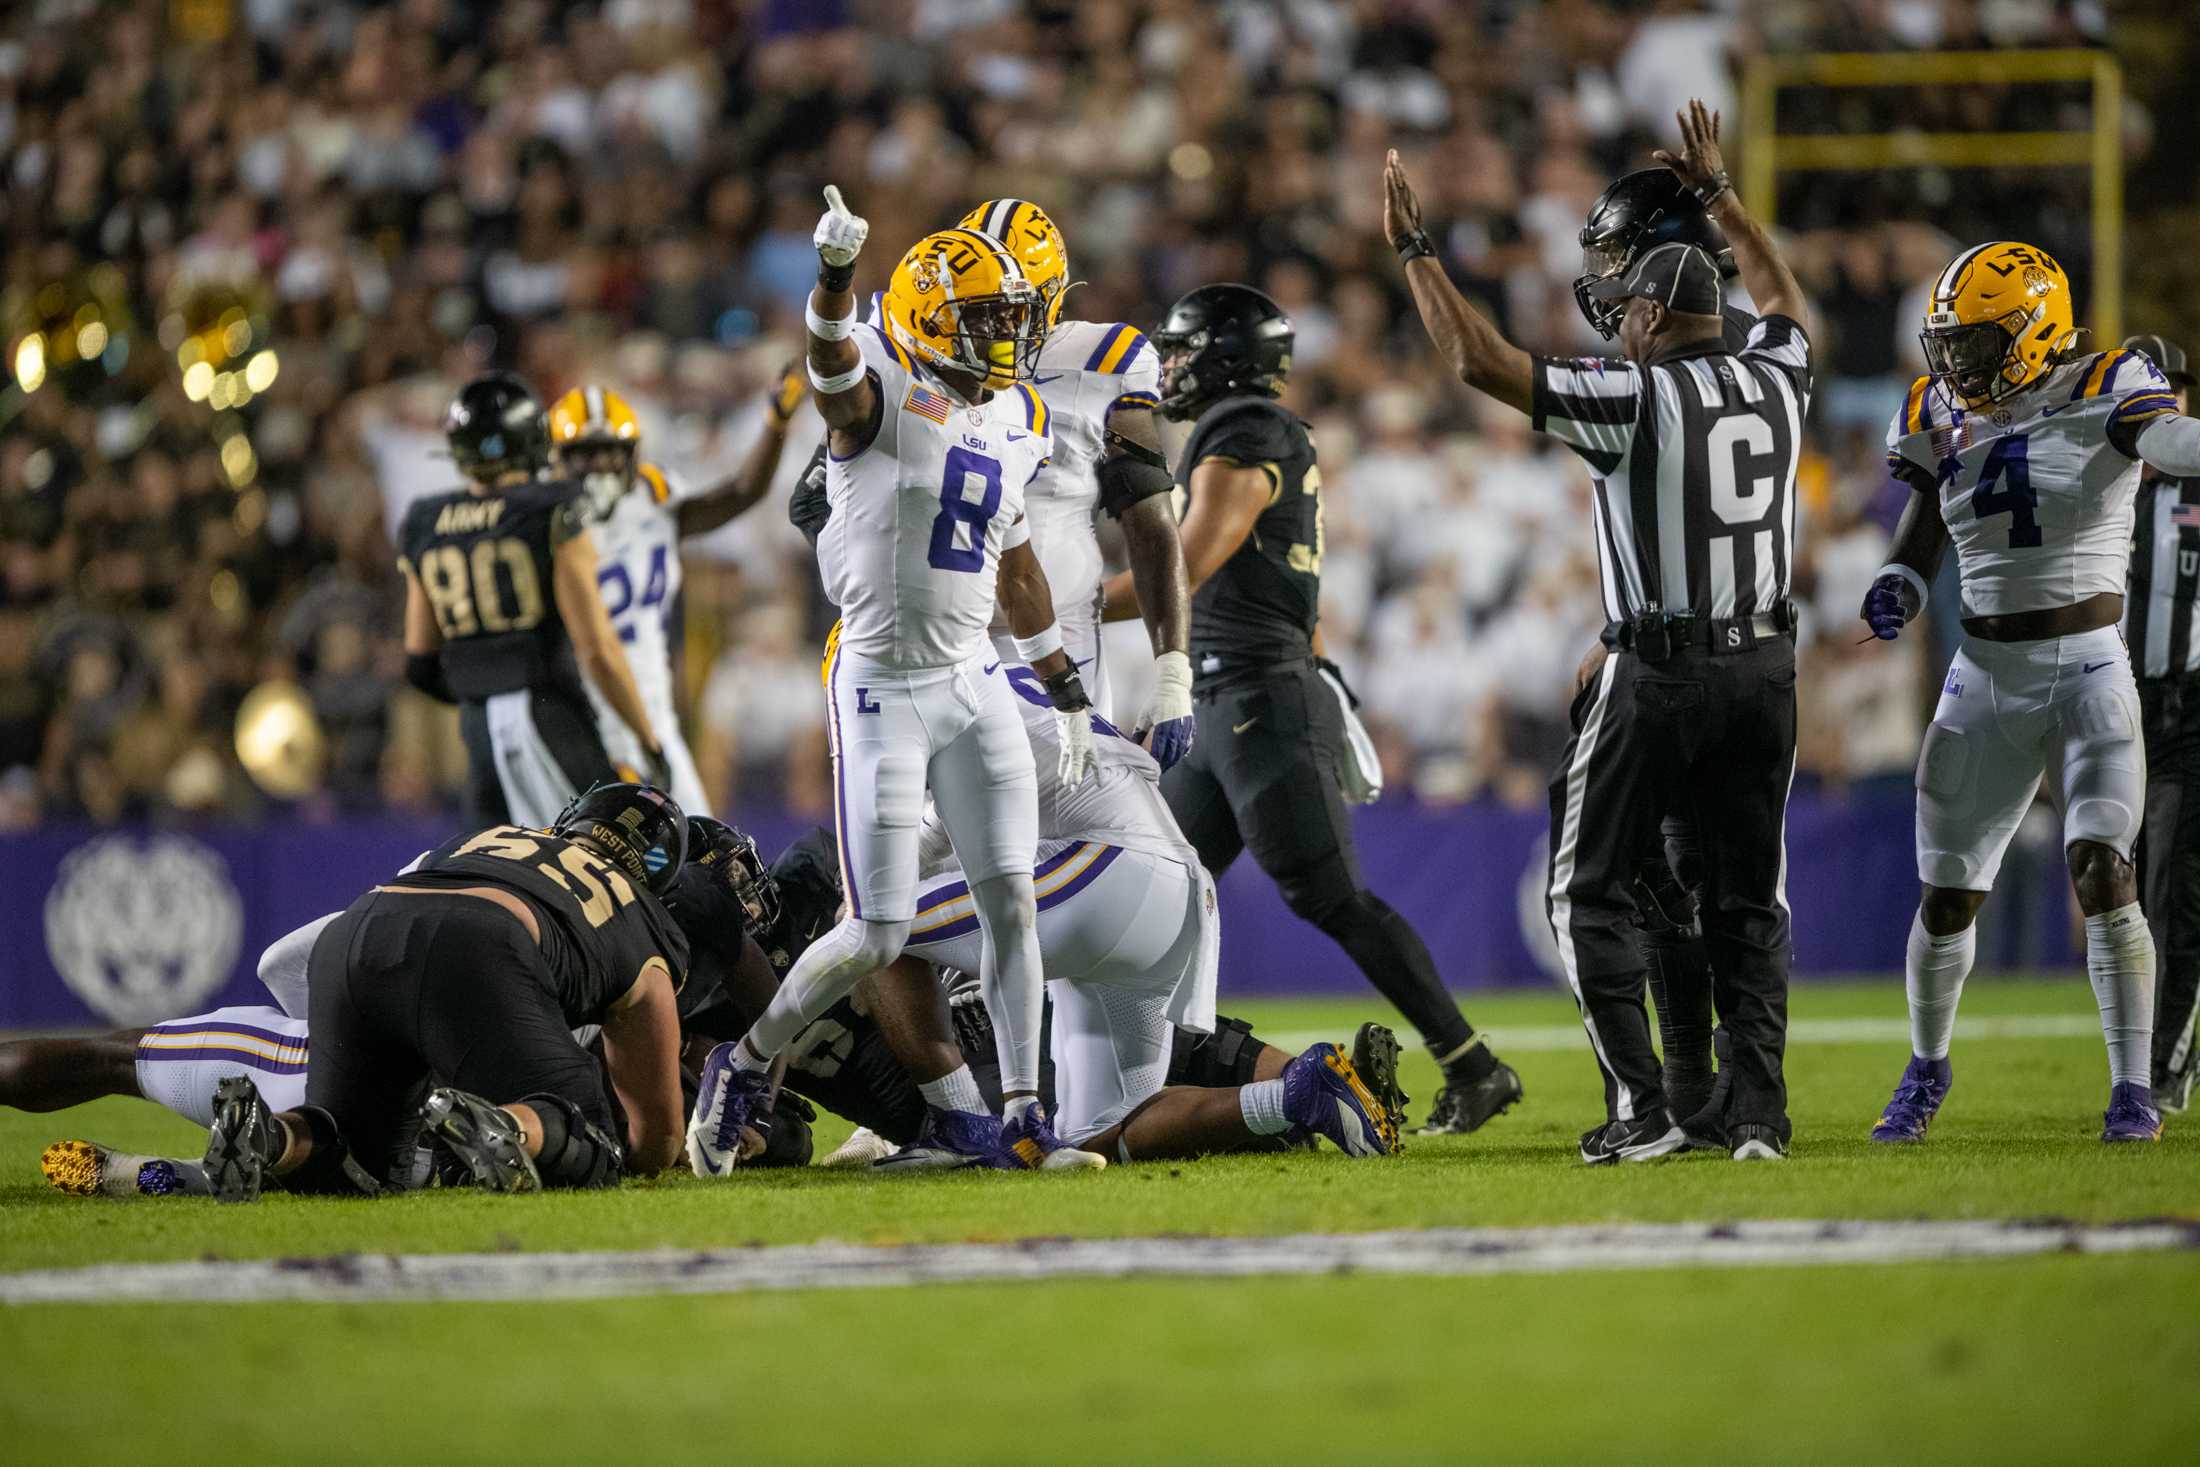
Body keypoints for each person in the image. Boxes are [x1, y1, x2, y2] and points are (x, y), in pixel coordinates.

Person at [1389, 100, 1813, 1163]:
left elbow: (1478, 360)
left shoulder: (1634, 395)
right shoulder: (1780, 376)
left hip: (1660, 673)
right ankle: (1751, 1108)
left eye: (1626, 304)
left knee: (1589, 890)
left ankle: (1647, 1107)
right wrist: (1721, 197)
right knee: (1743, 899)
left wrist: (1413, 252)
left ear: (1657, 317)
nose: (1613, 316)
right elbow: (1783, 295)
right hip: (1764, 669)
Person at [685, 189, 1097, 1176]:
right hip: (880, 682)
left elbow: (1020, 563)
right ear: (924, 318)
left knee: (1009, 902)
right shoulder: (877, 390)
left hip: (972, 675)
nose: (1005, 337)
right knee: (876, 932)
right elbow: (828, 362)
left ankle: (1023, 1117)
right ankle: (746, 1064)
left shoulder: (1021, 411)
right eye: (983, 319)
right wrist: (832, 276)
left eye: (1010, 317)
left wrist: (1065, 688)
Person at [1104, 281, 1524, 1136]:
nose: (1171, 365)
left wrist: (1063, 602)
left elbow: (1190, 561)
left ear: (1226, 359)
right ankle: (1143, 1069)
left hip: (1258, 695)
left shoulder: (1246, 429)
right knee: (1159, 892)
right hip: (1228, 696)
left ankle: (1473, 1065)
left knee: (1329, 894)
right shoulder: (1241, 431)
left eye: (1185, 349)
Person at [1861, 271, 2200, 1144]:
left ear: (2035, 329)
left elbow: (2168, 446)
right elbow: (1926, 518)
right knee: (1946, 897)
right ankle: (1927, 1065)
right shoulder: (1938, 410)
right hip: (1985, 673)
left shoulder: (2106, 384)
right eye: (1951, 342)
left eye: (1975, 340)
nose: (1956, 360)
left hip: (2090, 667)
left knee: (2104, 868)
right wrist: (1898, 577)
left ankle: (2133, 1088)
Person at [201, 782, 693, 1200]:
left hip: (354, 932)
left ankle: (269, 1136)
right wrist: (636, 1151)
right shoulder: (643, 915)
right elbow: (659, 1133)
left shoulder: (489, 837)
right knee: (590, 1135)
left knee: (358, 1162)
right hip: (478, 944)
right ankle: (507, 1124)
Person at [1572, 167, 1755, 1140]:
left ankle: (1678, 1089)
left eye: (1617, 260)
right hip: (1737, 642)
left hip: (1687, 652)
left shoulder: (1664, 380)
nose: (1603, 281)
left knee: (1669, 880)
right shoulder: (1760, 362)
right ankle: (1721, 1090)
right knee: (1699, 885)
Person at [396, 373, 669, 827]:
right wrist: (649, 742)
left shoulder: (426, 520)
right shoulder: (555, 506)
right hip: (549, 713)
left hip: (478, 728)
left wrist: (481, 685)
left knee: (497, 874)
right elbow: (598, 650)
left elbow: (420, 662)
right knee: (622, 858)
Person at [546, 368, 806, 816]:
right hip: (580, 719)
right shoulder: (543, 524)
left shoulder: (653, 497)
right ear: (557, 458)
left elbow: (741, 492)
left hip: (655, 718)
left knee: (703, 853)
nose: (598, 468)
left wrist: (775, 424)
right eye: (584, 455)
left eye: (609, 454)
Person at [2120, 334, 2200, 1113]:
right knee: (2127, 896)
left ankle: (2166, 1064)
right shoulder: (2096, 483)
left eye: (2169, 388)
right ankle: (2154, 1057)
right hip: (2118, 707)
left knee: (2177, 890)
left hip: (2191, 704)